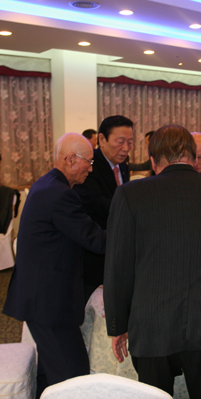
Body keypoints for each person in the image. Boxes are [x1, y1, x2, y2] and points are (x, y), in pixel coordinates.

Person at [104, 124, 201, 399]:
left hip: (153, 324)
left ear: (153, 161)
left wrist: (119, 326)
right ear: (193, 157)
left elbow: (118, 266)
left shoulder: (130, 194)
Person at [3, 133, 106, 399]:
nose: (90, 168)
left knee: (50, 371)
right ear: (70, 159)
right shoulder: (60, 194)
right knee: (73, 374)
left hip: (41, 294)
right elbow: (95, 240)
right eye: (88, 162)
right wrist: (134, 235)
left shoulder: (48, 183)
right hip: (48, 301)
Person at [74, 115, 133, 300]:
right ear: (102, 139)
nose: (126, 148)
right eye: (120, 142)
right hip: (95, 252)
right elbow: (96, 203)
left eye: (130, 142)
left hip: (116, 250)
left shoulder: (122, 165)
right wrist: (133, 212)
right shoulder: (89, 164)